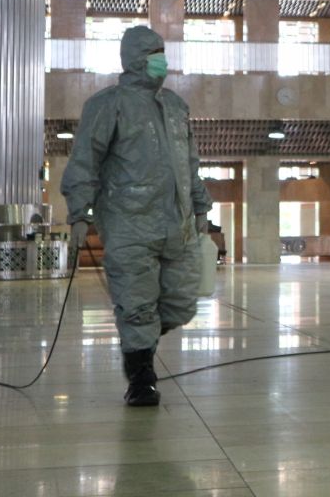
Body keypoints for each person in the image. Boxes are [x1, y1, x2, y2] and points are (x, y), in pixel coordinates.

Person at [62, 25, 213, 406]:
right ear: (135, 59)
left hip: (175, 224)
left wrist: (199, 206)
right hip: (129, 223)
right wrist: (79, 212)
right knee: (137, 302)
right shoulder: (106, 105)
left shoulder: (176, 107)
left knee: (181, 301)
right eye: (154, 53)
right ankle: (141, 376)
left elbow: (189, 164)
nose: (162, 60)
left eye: (162, 52)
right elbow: (85, 160)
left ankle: (137, 337)